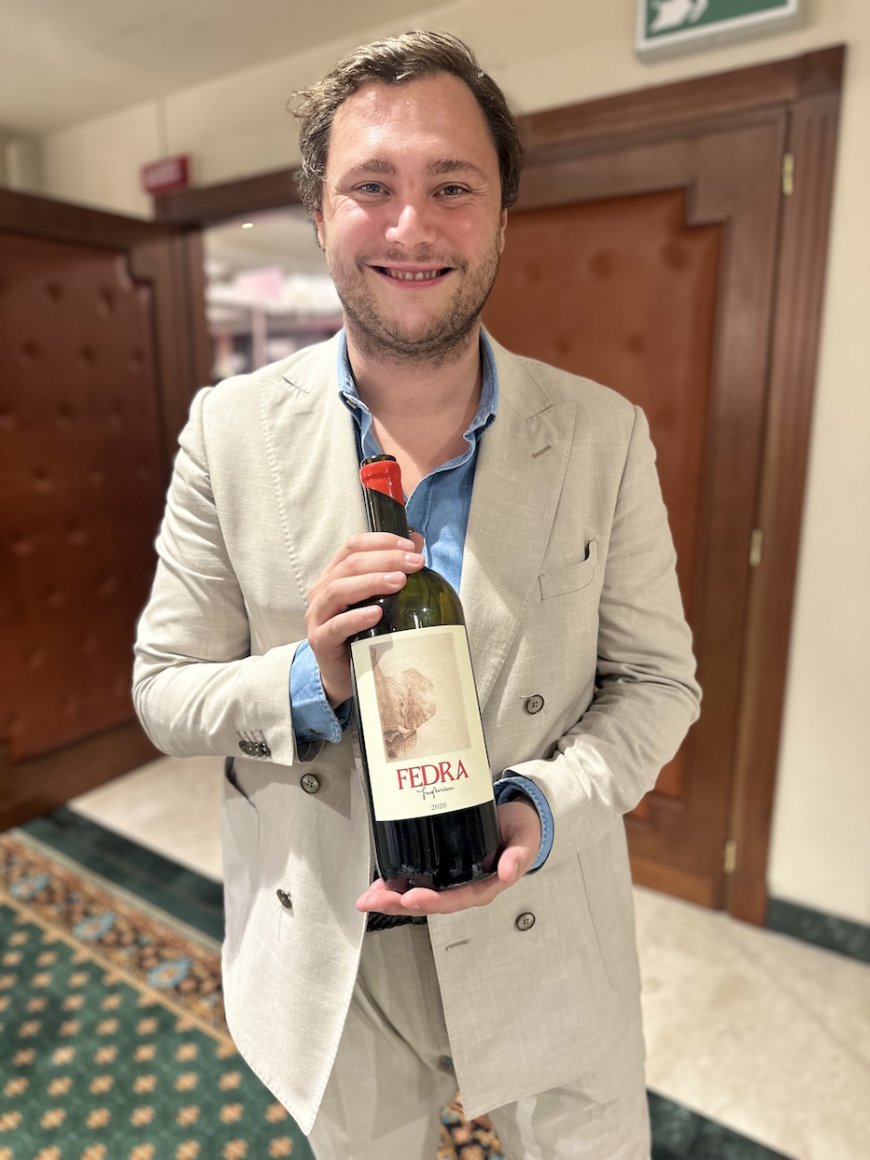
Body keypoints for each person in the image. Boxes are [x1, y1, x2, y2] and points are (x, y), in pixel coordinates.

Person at [133, 30, 701, 1160]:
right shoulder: (226, 431)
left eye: (452, 185)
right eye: (370, 187)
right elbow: (164, 690)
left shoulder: (603, 433)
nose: (410, 226)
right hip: (334, 948)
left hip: (543, 917)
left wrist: (540, 806)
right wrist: (312, 676)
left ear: (502, 216)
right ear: (319, 214)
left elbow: (657, 683)